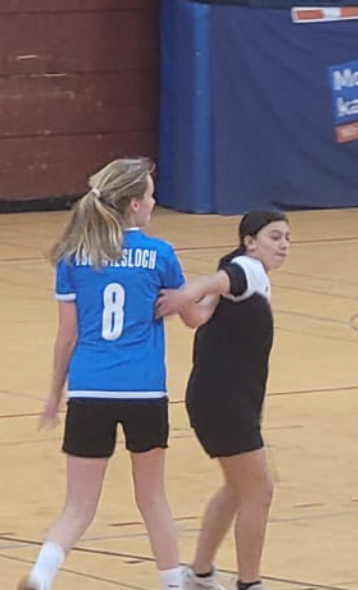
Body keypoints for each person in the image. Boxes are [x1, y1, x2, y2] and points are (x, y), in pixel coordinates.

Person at [19, 158, 187, 590]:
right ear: (134, 205)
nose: (154, 202)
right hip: (144, 391)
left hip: (89, 390)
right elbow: (191, 316)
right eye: (150, 196)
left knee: (77, 506)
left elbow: (67, 336)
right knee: (153, 499)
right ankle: (173, 583)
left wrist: (54, 394)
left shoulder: (74, 256)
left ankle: (40, 576)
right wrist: (214, 289)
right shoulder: (160, 254)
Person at [156, 210, 290, 590]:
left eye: (287, 238)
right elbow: (217, 280)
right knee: (260, 490)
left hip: (225, 397)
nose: (283, 245)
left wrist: (184, 299)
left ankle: (199, 574)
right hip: (224, 400)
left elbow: (198, 317)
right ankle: (249, 583)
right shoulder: (247, 269)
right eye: (274, 237)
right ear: (249, 241)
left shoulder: (246, 276)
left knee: (237, 488)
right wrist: (185, 292)